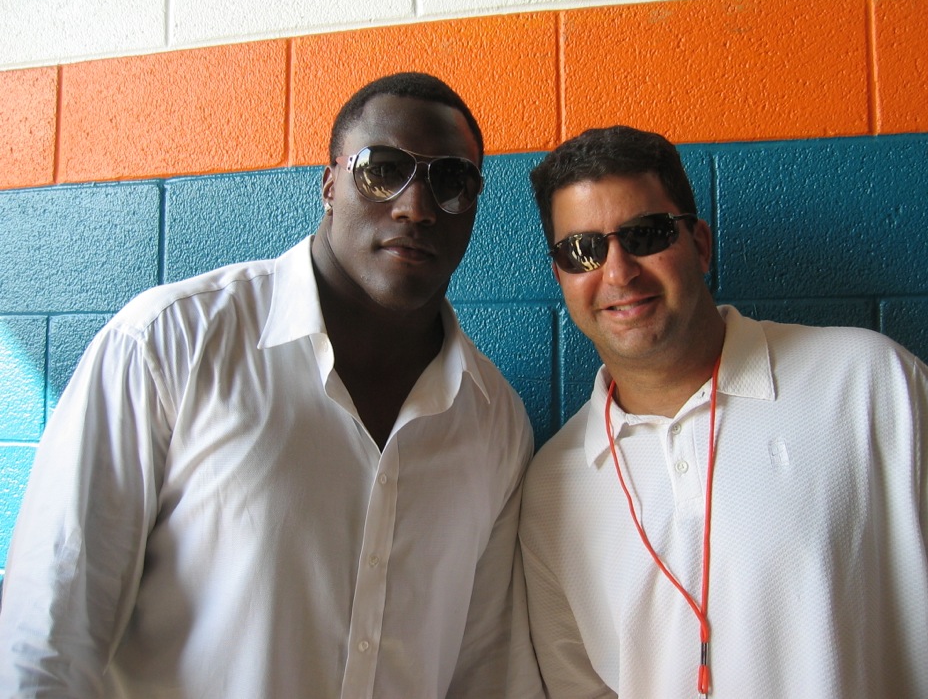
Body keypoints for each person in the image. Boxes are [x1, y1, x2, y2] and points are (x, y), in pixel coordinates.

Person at [0, 72, 534, 698]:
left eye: (451, 182)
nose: (415, 206)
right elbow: (51, 632)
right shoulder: (168, 342)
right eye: (383, 170)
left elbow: (486, 671)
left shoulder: (496, 421)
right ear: (329, 184)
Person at [518, 125, 928, 698]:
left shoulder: (868, 382)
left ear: (700, 244)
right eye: (582, 251)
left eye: (646, 235)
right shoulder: (551, 486)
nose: (619, 272)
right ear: (561, 277)